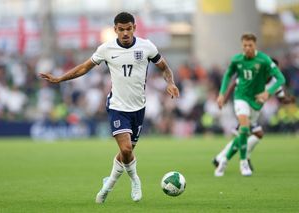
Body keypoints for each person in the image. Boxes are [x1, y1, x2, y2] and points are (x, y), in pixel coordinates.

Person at [39, 12, 180, 203]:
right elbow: (84, 67)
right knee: (127, 148)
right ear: (115, 30)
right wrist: (60, 78)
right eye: (121, 29)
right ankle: (135, 180)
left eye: (128, 28)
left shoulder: (146, 46)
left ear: (134, 28)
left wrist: (170, 82)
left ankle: (109, 183)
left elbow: (164, 67)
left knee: (125, 153)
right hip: (117, 106)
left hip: (138, 108)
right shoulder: (107, 49)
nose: (125, 33)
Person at [215, 33, 285, 177]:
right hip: (241, 97)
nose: (247, 48)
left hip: (256, 102)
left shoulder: (264, 60)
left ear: (255, 45)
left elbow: (280, 78)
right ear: (242, 46)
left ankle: (223, 160)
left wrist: (268, 93)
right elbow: (228, 76)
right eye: (244, 46)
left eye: (250, 45)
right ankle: (243, 163)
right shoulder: (237, 60)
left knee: (243, 133)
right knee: (245, 129)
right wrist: (222, 94)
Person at [212, 58, 295, 171]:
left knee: (243, 135)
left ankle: (220, 158)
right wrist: (225, 99)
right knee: (254, 133)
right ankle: (231, 158)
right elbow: (234, 83)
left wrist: (289, 100)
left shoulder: (274, 83)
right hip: (243, 107)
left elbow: (281, 98)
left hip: (253, 112)